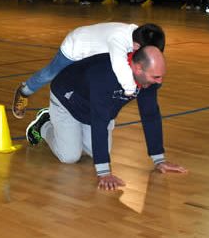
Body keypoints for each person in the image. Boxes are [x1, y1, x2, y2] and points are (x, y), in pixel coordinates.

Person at [25, 45, 187, 190]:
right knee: (70, 157)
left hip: (95, 105)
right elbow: (99, 120)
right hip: (68, 100)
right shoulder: (106, 76)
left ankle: (69, 132)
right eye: (156, 77)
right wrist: (104, 173)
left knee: (97, 154)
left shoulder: (148, 80)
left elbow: (150, 114)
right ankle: (44, 124)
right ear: (138, 69)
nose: (160, 81)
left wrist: (159, 159)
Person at [12, 22, 165, 119]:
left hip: (92, 56)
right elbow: (120, 66)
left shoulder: (140, 36)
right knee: (51, 74)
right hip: (75, 48)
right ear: (138, 46)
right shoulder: (118, 39)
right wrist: (130, 88)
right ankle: (25, 90)